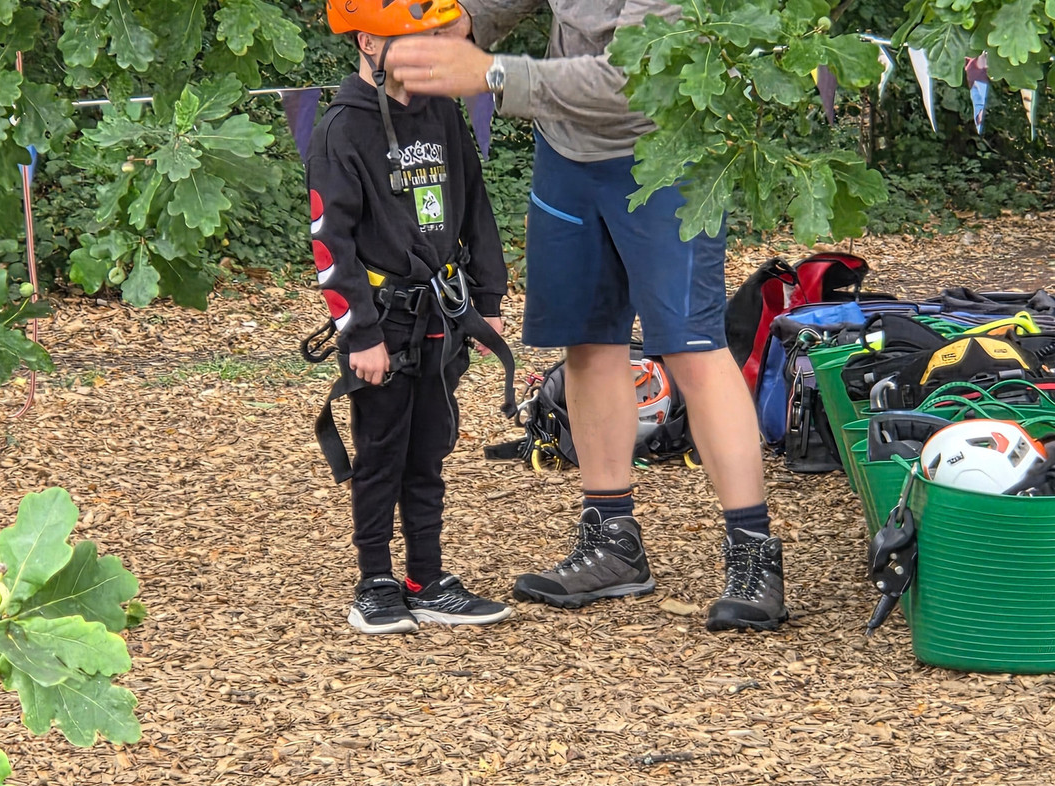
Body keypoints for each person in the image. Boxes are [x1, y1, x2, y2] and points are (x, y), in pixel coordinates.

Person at [384, 1, 788, 631]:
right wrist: (466, 17)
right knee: (587, 342)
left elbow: (627, 80)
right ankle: (612, 544)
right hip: (566, 153)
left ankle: (754, 558)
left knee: (691, 347)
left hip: (666, 151)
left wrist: (489, 72)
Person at [306, 0, 514, 634]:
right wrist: (360, 334)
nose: (427, 53)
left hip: (441, 317)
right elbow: (329, 240)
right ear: (369, 42)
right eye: (409, 41)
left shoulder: (443, 113)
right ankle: (375, 580)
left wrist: (486, 301)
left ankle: (427, 577)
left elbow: (475, 206)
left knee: (428, 450)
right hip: (380, 325)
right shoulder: (341, 129)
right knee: (381, 453)